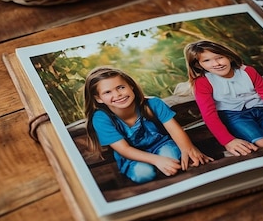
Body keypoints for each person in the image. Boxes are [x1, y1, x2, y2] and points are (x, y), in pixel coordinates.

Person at [83, 67, 213, 184]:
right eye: (107, 92)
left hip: (161, 144)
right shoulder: (101, 118)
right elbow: (124, 149)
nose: (117, 95)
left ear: (131, 86)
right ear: (98, 98)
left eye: (121, 87)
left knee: (174, 161)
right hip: (132, 156)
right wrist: (157, 160)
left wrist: (188, 149)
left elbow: (175, 130)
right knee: (144, 174)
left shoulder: (153, 104)